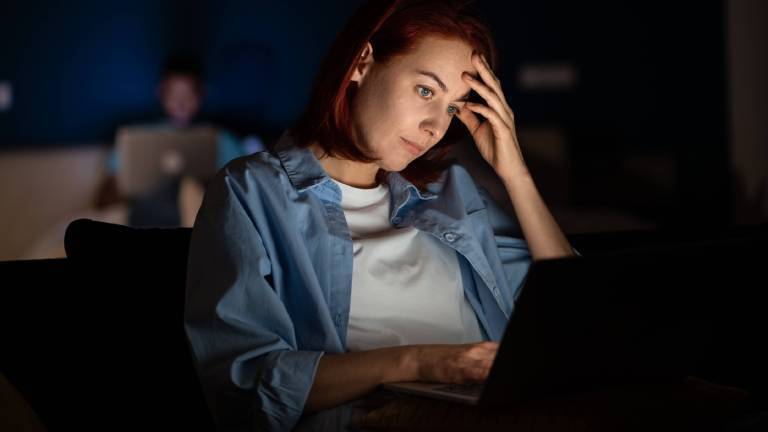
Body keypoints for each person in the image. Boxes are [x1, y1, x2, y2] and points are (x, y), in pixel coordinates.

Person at [184, 1, 577, 430]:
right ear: (362, 63)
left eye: (452, 107)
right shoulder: (251, 191)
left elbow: (576, 313)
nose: (435, 127)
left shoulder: (453, 191)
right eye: (426, 90)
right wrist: (422, 363)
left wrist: (514, 172)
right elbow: (245, 385)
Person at [94, 55, 259, 227]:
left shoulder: (220, 138)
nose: (181, 103)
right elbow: (103, 199)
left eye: (189, 95)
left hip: (202, 214)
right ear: (160, 93)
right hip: (149, 215)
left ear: (202, 94)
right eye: (174, 94)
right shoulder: (136, 140)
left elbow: (245, 189)